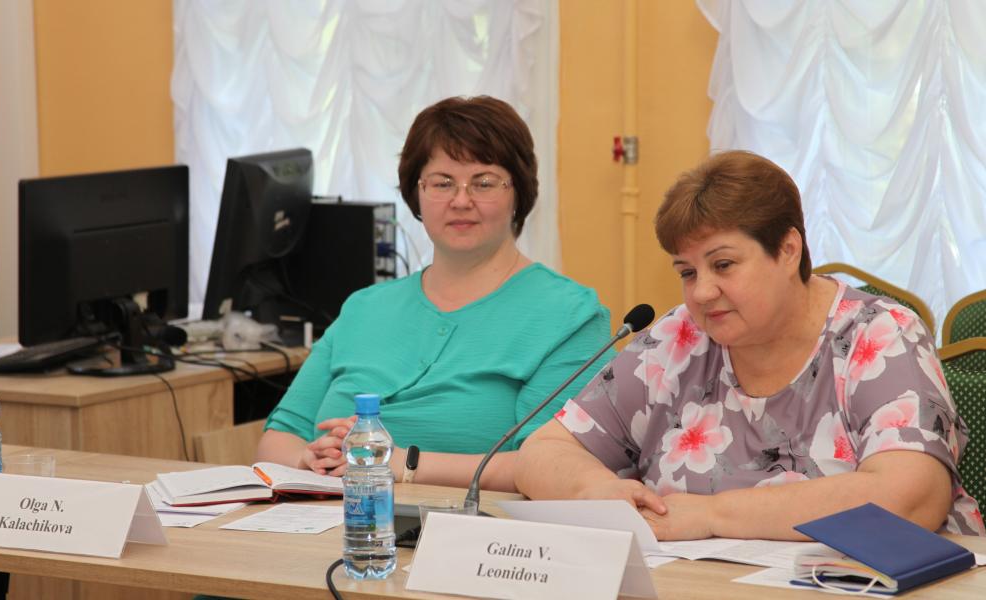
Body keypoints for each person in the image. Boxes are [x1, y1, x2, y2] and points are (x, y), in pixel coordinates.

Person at [515, 150, 985, 540]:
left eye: (723, 265)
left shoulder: (879, 335)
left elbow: (910, 499)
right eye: (687, 272)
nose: (702, 292)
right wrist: (594, 489)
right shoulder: (680, 337)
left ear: (788, 250)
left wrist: (710, 516)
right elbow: (543, 451)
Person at [257, 96, 611, 492]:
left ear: (519, 193)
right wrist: (306, 458)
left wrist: (403, 463)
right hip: (331, 518)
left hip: (473, 526)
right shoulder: (363, 308)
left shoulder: (571, 317)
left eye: (484, 182)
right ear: (417, 194)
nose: (461, 200)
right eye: (442, 183)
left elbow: (554, 465)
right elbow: (278, 437)